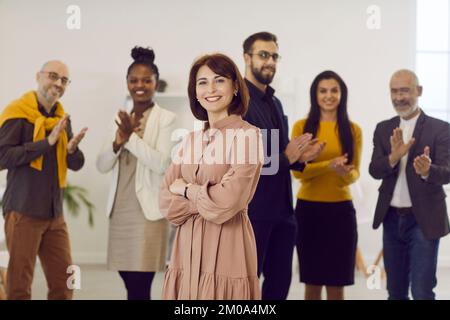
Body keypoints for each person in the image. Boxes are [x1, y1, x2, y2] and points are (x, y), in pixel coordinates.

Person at [159, 53, 263, 300]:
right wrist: (208, 199)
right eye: (202, 82)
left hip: (229, 245)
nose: (210, 89)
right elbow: (165, 202)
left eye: (219, 80)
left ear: (235, 86)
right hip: (185, 250)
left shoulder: (249, 136)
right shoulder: (190, 140)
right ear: (195, 92)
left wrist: (187, 190)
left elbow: (228, 202)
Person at [242, 31, 325, 299]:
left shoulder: (275, 103)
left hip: (283, 214)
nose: (270, 61)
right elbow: (243, 162)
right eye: (263, 55)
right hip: (252, 214)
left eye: (274, 56)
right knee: (246, 287)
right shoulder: (237, 104)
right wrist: (286, 157)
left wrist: (301, 157)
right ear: (247, 58)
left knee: (278, 287)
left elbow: (281, 153)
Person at [0, 60, 87, 300]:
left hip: (54, 214)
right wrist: (46, 143)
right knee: (19, 287)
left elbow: (76, 164)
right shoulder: (17, 113)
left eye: (64, 80)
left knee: (63, 283)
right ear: (38, 76)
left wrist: (70, 150)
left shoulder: (62, 119)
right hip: (22, 212)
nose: (58, 84)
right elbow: (2, 156)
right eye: (53, 76)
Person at [96, 47, 176, 300]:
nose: (139, 85)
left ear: (155, 83)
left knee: (140, 281)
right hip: (120, 208)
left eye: (146, 80)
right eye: (133, 80)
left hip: (148, 211)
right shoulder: (119, 118)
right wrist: (118, 142)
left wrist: (130, 138)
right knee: (127, 277)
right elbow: (102, 164)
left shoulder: (166, 118)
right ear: (127, 83)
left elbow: (161, 163)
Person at [369, 69, 450, 300]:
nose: (399, 97)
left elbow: (447, 172)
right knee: (395, 292)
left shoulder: (440, 129)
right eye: (394, 91)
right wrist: (393, 157)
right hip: (391, 219)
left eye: (404, 90)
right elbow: (374, 170)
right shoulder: (384, 129)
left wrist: (427, 171)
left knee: (422, 291)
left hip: (423, 220)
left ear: (419, 91)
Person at [292, 70, 362, 300]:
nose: (329, 96)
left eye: (334, 90)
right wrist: (328, 166)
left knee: (336, 285)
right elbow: (297, 173)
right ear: (315, 95)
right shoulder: (302, 127)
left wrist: (343, 172)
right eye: (323, 91)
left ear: (342, 94)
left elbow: (354, 175)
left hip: (341, 213)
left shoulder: (353, 130)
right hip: (308, 212)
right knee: (311, 284)